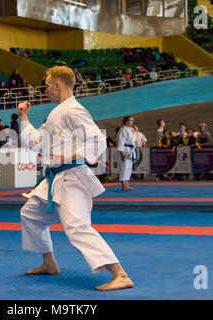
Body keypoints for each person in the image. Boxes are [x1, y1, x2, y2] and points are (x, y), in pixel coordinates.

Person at [17, 66, 133, 291]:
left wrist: (69, 154)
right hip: (54, 180)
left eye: (48, 85)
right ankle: (49, 262)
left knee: (76, 226)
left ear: (58, 85)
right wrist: (24, 118)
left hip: (72, 178)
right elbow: (36, 142)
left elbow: (98, 141)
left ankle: (120, 273)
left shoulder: (73, 110)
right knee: (30, 214)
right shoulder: (57, 112)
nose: (46, 90)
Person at [117, 116, 136, 191]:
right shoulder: (123, 129)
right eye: (130, 120)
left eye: (132, 120)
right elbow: (121, 141)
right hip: (125, 149)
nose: (132, 122)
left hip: (131, 150)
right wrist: (121, 152)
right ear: (126, 122)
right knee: (124, 167)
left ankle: (127, 184)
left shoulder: (131, 129)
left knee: (129, 167)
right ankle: (123, 185)